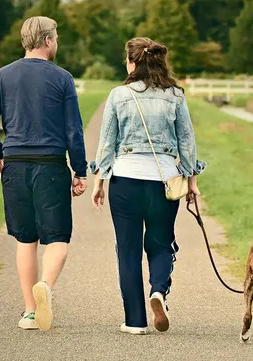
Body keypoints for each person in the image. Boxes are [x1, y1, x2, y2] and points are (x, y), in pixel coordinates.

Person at [89, 37, 206, 335]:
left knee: (127, 251)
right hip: (164, 183)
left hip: (125, 181)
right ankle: (158, 291)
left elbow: (107, 144)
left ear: (132, 62)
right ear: (158, 61)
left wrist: (99, 182)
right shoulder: (175, 96)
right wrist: (192, 183)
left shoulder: (118, 95)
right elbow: (187, 144)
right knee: (161, 243)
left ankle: (135, 321)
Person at [0, 16, 88, 332]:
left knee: (25, 239)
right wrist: (79, 171)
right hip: (50, 166)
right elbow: (73, 130)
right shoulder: (62, 78)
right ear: (47, 41)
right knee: (57, 238)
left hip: (14, 163)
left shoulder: (3, 76)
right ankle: (45, 285)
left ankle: (30, 311)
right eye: (55, 38)